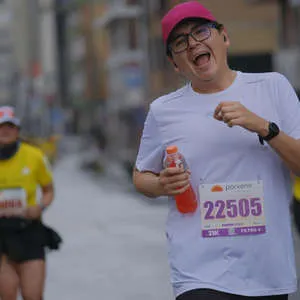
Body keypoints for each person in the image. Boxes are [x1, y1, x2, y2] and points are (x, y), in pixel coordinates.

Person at [133, 1, 300, 300]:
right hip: (198, 271)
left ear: (224, 37)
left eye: (200, 32)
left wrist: (264, 127)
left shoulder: (272, 87)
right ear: (174, 62)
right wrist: (160, 184)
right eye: (180, 42)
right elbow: (140, 176)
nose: (193, 43)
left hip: (267, 270)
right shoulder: (163, 110)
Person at [0, 106, 62, 300]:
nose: (5, 131)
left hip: (29, 232)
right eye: (1, 127)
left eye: (10, 126)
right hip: (1, 236)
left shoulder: (34, 156)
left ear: (17, 130)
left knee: (33, 295)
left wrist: (40, 207)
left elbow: (48, 190)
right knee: (7, 294)